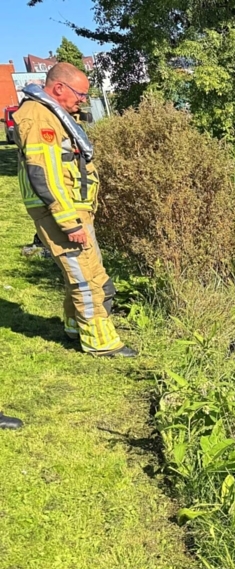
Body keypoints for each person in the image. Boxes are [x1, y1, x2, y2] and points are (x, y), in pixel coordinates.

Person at [12, 63, 136, 357]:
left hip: (75, 208)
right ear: (58, 88)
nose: (83, 99)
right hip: (62, 212)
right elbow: (45, 175)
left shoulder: (52, 113)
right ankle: (99, 341)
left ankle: (74, 326)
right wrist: (70, 223)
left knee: (85, 271)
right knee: (87, 278)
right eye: (80, 94)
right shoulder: (39, 117)